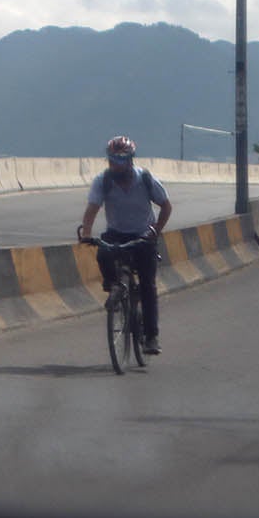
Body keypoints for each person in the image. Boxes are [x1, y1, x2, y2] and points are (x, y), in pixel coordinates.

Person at [79, 135, 173, 355]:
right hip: (116, 234)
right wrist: (86, 233)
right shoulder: (103, 181)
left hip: (143, 236)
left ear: (131, 160)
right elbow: (92, 208)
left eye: (121, 160)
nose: (116, 165)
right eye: (112, 160)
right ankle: (113, 286)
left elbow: (166, 206)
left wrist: (155, 230)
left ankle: (151, 337)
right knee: (103, 254)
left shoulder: (146, 179)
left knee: (148, 286)